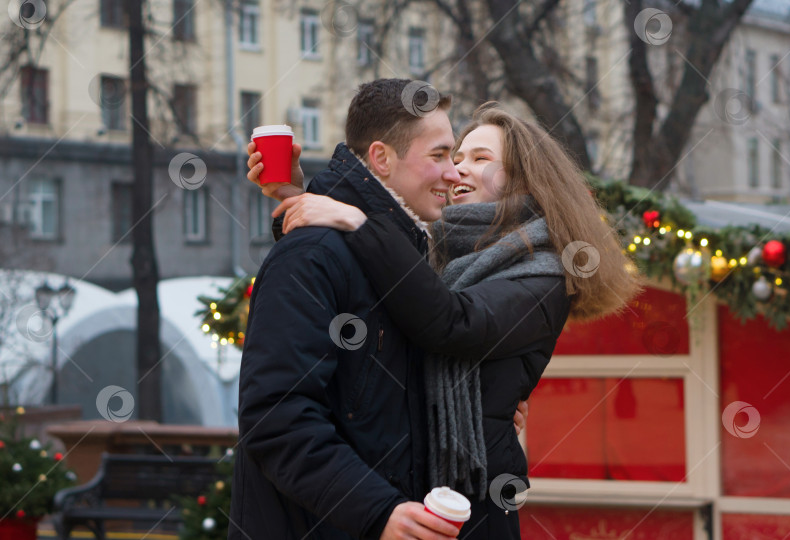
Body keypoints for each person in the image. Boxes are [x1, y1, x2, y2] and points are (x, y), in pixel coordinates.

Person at [252, 102, 641, 538]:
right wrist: (302, 197)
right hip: (417, 493)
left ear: (527, 180)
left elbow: (452, 322)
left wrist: (360, 223)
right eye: (453, 158)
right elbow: (366, 267)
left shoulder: (543, 274)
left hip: (474, 495)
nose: (458, 171)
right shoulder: (429, 249)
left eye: (481, 159)